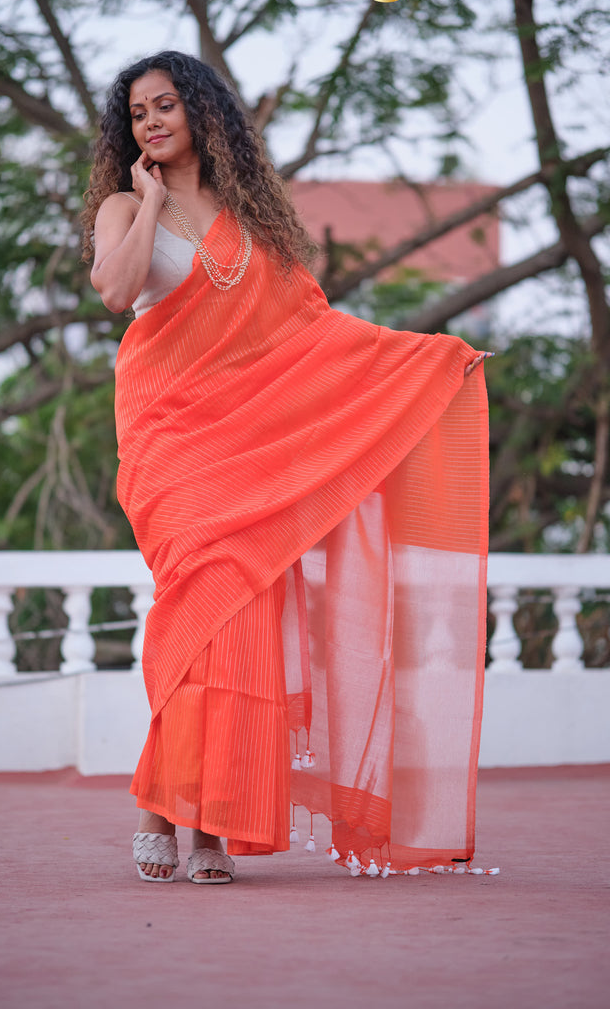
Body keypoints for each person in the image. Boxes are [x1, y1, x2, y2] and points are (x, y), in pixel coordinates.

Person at [82, 50, 491, 886]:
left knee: (232, 622)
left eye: (166, 106)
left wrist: (427, 362)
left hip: (249, 448)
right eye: (137, 114)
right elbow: (113, 293)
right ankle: (181, 815)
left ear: (202, 112)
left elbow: (313, 336)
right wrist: (152, 201)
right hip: (171, 442)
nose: (152, 122)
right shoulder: (126, 204)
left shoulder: (253, 219)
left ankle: (196, 825)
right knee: (200, 610)